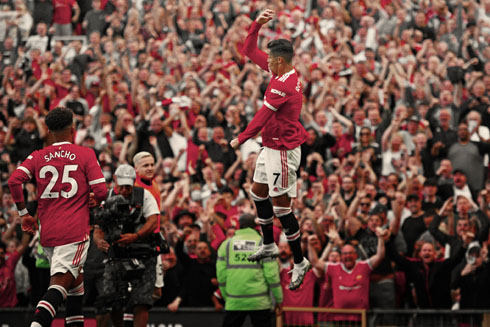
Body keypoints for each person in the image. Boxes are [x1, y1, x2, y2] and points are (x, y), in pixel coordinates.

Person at [229, 9, 310, 290]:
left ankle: (300, 262)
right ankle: (267, 244)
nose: (267, 64)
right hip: (271, 145)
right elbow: (248, 50)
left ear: (277, 61)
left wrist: (242, 138)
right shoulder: (281, 70)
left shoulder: (281, 85)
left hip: (285, 151)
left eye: (270, 61)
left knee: (282, 207)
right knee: (257, 192)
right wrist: (257, 25)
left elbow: (262, 116)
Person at [7, 107, 107, 327]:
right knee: (59, 288)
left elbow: (14, 181)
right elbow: (101, 191)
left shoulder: (38, 156)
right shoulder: (85, 154)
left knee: (75, 285)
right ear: (73, 129)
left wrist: (24, 214)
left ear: (49, 131)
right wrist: (96, 200)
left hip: (48, 233)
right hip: (74, 231)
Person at [93, 164, 160, 327]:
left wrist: (135, 236)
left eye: (128, 187)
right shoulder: (106, 197)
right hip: (116, 254)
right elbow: (98, 228)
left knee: (141, 301)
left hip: (142, 253)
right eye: (121, 186)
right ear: (115, 180)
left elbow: (153, 221)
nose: (124, 190)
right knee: (110, 299)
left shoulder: (144, 195)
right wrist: (99, 241)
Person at [217, 213, 283, 327]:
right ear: (255, 226)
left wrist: (227, 297)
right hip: (259, 302)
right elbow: (272, 275)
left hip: (234, 301)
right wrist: (278, 299)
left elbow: (221, 276)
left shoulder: (226, 245)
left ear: (239, 225)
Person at [310, 228, 386, 324]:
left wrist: (380, 237)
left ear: (355, 255)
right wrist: (310, 245)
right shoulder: (334, 268)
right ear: (341, 256)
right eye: (345, 254)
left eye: (350, 253)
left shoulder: (364, 266)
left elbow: (380, 256)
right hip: (339, 318)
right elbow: (315, 262)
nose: (347, 256)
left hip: (360, 317)